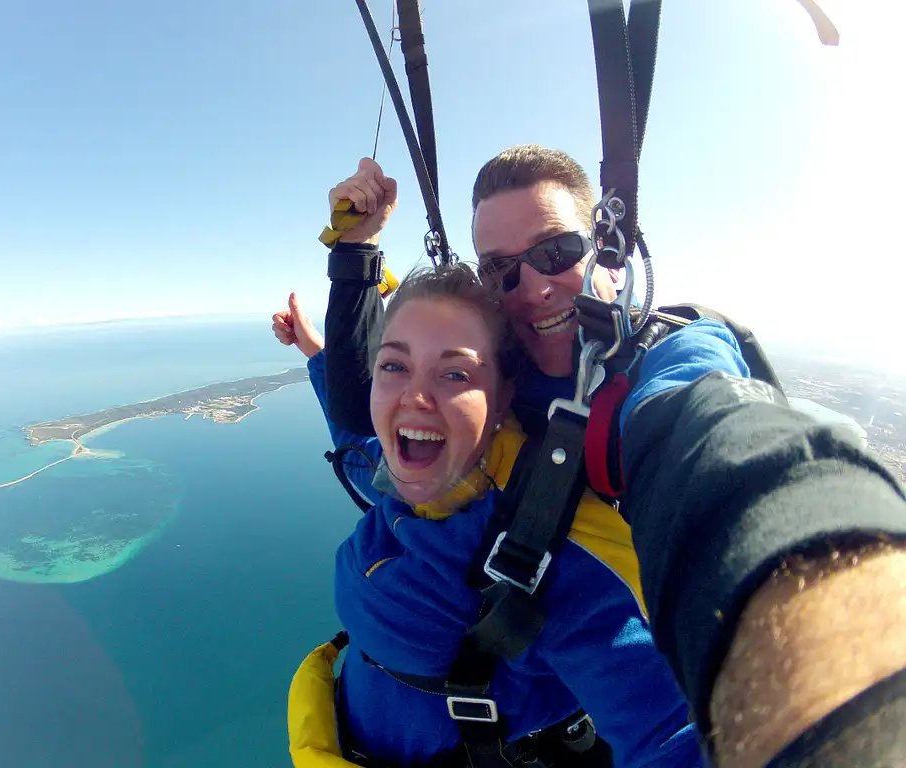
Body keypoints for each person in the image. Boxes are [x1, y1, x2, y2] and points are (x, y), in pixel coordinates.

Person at [308, 147, 906, 766]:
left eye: (557, 253)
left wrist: (846, 615)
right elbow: (369, 438)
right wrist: (352, 261)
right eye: (500, 270)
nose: (534, 288)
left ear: (610, 252)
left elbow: (714, 441)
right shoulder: (481, 402)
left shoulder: (660, 367)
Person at [275, 264, 711, 767]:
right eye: (394, 367)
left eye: (455, 374)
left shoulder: (556, 545)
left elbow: (678, 735)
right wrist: (316, 353)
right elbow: (355, 439)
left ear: (504, 397)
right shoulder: (404, 479)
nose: (412, 398)